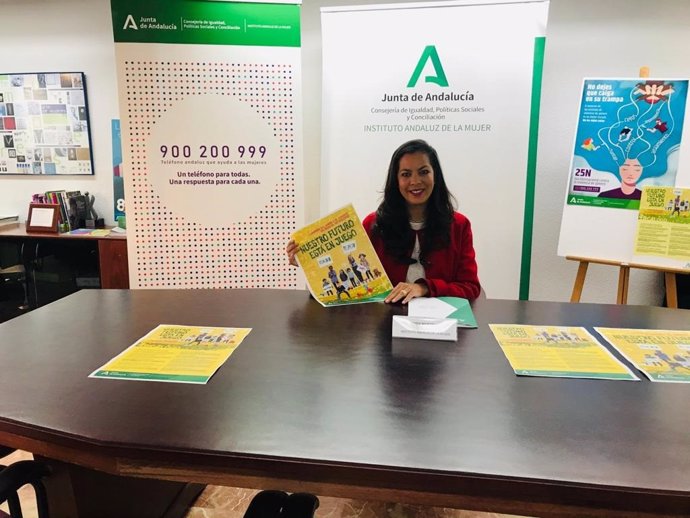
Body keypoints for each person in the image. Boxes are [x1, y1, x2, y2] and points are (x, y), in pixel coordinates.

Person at [287, 139, 480, 304]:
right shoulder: (374, 225)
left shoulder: (459, 226)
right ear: (395, 180)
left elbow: (470, 288)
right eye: (405, 174)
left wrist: (424, 288)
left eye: (423, 172)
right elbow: (351, 280)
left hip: (442, 331)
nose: (415, 181)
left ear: (435, 176)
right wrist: (308, 263)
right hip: (384, 330)